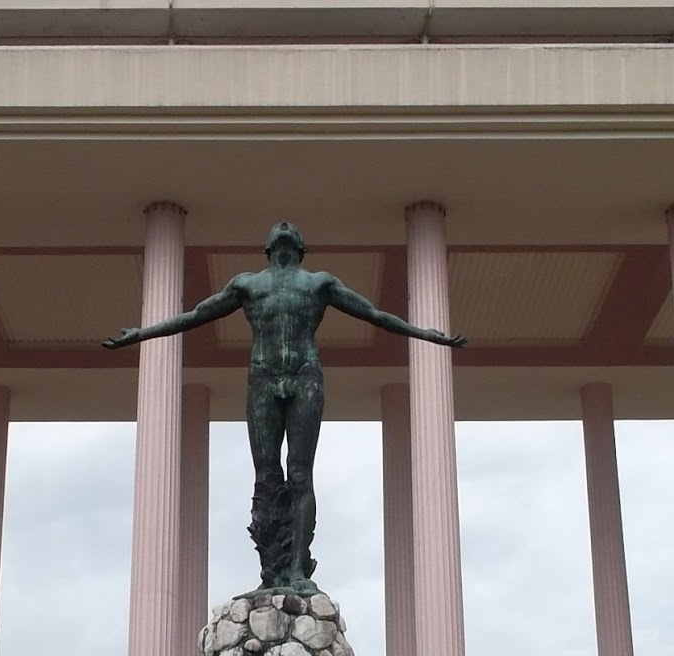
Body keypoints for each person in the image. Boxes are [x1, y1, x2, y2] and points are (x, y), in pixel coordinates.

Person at [105, 221, 465, 593]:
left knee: (299, 474)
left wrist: (424, 333)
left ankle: (296, 569)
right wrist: (143, 333)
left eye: (290, 230)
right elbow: (196, 316)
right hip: (263, 377)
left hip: (304, 376)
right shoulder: (247, 285)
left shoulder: (319, 283)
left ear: (300, 247)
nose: (284, 227)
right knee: (265, 477)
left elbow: (373, 314)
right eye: (277, 229)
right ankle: (269, 572)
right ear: (267, 247)